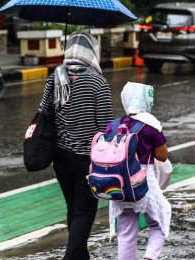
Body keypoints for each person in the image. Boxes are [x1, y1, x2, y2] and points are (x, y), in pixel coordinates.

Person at [39, 31, 114, 259]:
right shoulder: (98, 82)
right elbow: (106, 127)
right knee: (84, 211)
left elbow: (43, 111)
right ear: (93, 52)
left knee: (73, 208)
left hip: (60, 158)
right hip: (87, 161)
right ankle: (71, 256)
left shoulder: (55, 76)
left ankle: (80, 256)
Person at [105, 82, 171, 260]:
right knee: (159, 221)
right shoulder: (150, 124)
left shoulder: (113, 125)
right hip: (143, 182)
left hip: (118, 183)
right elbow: (162, 156)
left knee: (126, 232)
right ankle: (150, 257)